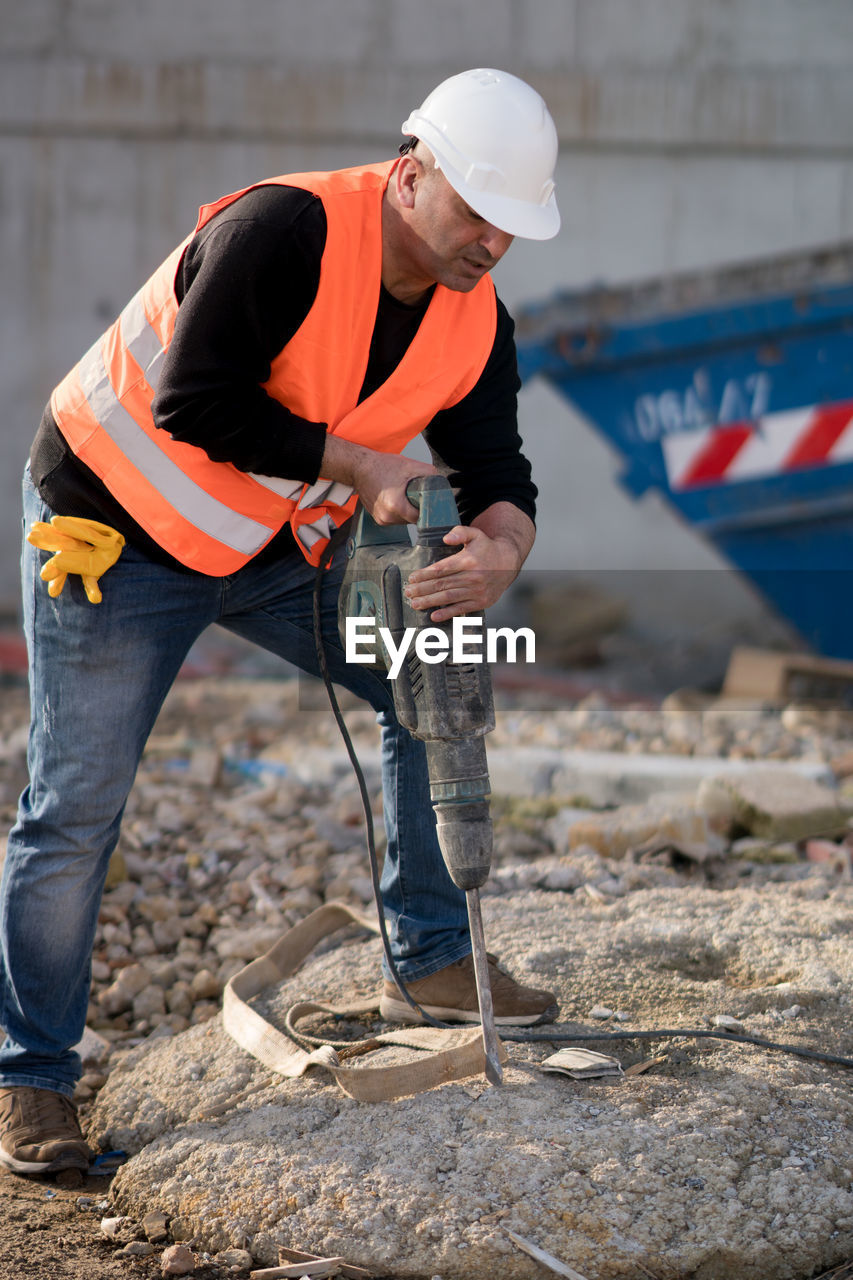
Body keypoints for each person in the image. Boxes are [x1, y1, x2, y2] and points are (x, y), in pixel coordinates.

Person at [0, 67, 561, 1177]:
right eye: (475, 213)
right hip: (116, 529)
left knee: (430, 663)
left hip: (263, 542)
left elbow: (500, 471)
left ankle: (435, 952)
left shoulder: (475, 321)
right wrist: (356, 463)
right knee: (75, 807)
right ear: (411, 175)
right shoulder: (285, 228)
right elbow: (193, 401)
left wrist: (500, 550)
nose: (491, 242)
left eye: (511, 226)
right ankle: (31, 1078)